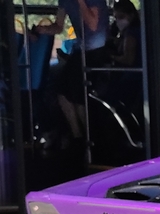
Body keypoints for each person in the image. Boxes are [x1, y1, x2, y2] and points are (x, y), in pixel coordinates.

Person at [34, 0, 109, 148]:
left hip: (97, 50)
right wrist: (42, 30)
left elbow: (93, 24)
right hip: (81, 49)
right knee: (62, 91)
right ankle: (77, 135)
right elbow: (59, 26)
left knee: (78, 96)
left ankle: (91, 137)